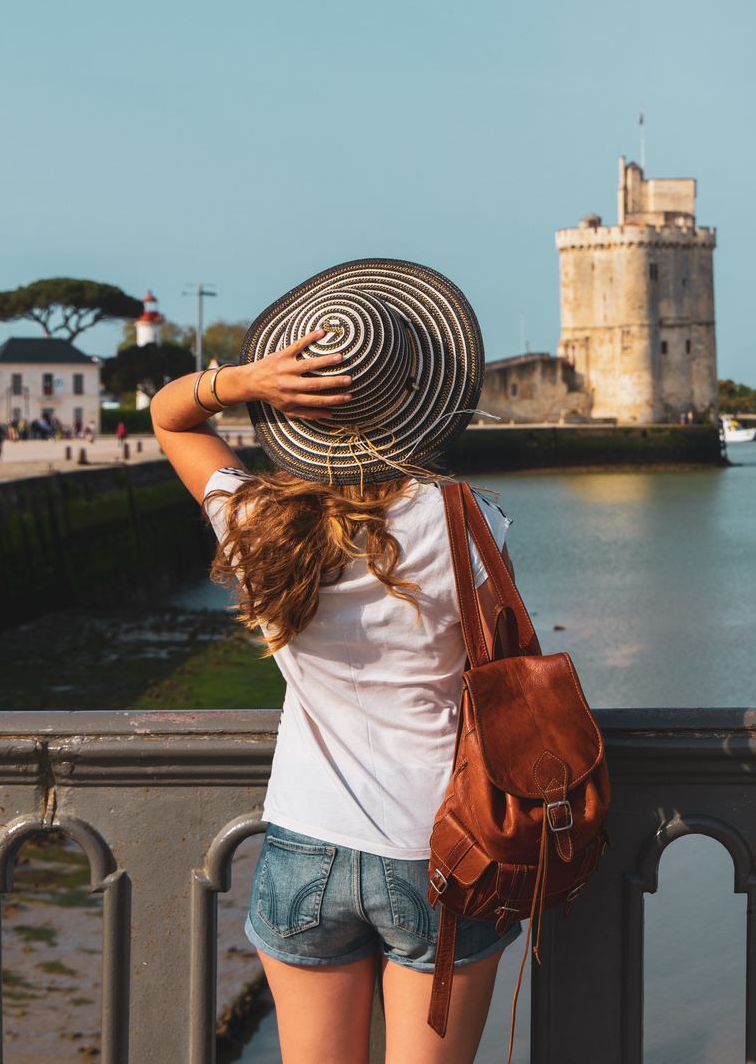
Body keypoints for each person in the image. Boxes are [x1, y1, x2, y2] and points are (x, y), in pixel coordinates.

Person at [151, 260, 511, 1064]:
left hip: (305, 843)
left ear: (295, 410)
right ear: (415, 402)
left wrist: (241, 381)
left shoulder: (253, 521)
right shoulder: (465, 522)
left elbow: (170, 418)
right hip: (438, 848)